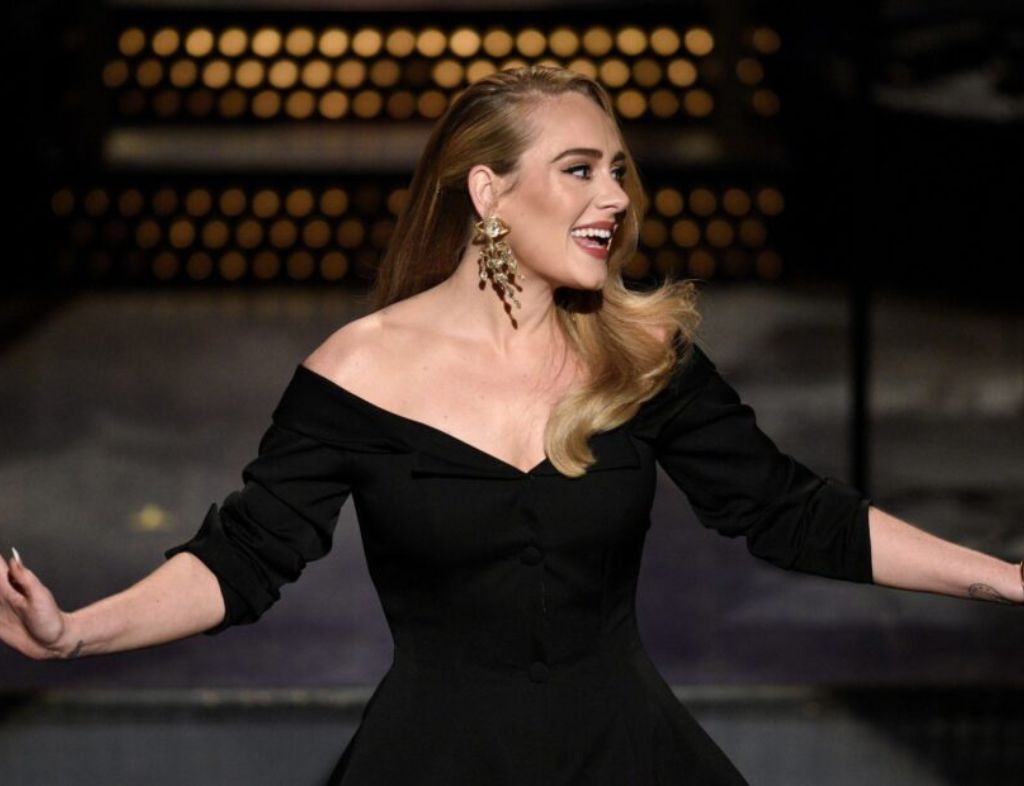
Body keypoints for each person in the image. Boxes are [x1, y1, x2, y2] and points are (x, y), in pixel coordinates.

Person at [1, 65, 1021, 784]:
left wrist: (1005, 579)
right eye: (579, 169)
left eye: (617, 169)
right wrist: (75, 632)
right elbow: (245, 557)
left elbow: (793, 511)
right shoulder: (358, 372)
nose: (614, 197)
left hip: (628, 757)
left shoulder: (643, 358)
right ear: (489, 192)